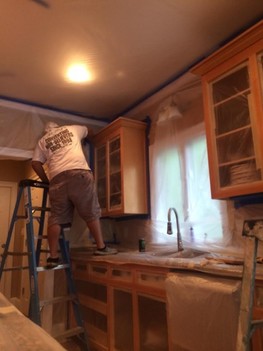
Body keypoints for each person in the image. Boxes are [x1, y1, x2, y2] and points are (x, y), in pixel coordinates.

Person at [31, 122, 117, 268]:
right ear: (58, 128)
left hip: (57, 179)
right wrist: (93, 138)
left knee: (56, 218)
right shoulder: (72, 129)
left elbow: (35, 163)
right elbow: (89, 130)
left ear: (46, 132)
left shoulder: (42, 141)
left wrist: (47, 181)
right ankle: (101, 247)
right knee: (91, 212)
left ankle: (53, 257)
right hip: (78, 172)